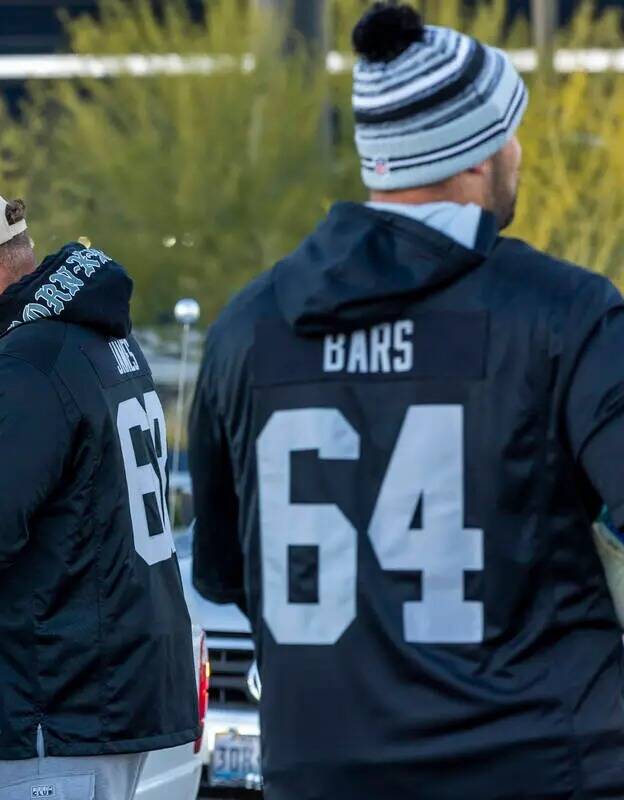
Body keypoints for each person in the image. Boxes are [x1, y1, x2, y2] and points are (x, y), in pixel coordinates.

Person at [188, 4, 624, 799]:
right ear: (477, 155)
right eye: (510, 134)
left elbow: (223, 568)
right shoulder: (562, 313)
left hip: (322, 771)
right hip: (540, 767)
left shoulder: (247, 331)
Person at [0, 185, 198, 799]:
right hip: (110, 685)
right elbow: (71, 479)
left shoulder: (20, 365)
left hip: (61, 694)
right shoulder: (95, 338)